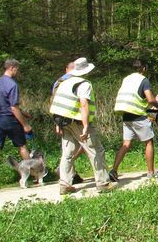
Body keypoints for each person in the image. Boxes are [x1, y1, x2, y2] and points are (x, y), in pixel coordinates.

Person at [49, 57, 116, 194]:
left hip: (63, 121)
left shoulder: (63, 82)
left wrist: (57, 123)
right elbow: (83, 104)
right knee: (96, 150)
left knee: (67, 153)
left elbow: (56, 102)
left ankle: (65, 184)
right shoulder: (84, 84)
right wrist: (85, 126)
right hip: (77, 121)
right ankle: (103, 183)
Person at [0, 59, 32, 190]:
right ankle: (31, 176)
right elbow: (13, 108)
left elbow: (5, 102)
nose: (17, 72)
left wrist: (23, 112)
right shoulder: (13, 84)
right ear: (12, 68)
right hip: (10, 120)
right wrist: (25, 125)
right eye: (17, 69)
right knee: (22, 147)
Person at [110, 59, 158, 181]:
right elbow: (150, 99)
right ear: (143, 68)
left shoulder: (126, 79)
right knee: (149, 142)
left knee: (126, 144)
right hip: (138, 115)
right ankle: (150, 172)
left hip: (125, 114)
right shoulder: (144, 80)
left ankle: (114, 170)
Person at [51, 60, 84, 185]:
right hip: (75, 118)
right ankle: (66, 172)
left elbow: (54, 101)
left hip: (61, 118)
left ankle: (70, 176)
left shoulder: (58, 82)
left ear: (66, 69)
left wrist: (57, 122)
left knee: (69, 148)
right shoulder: (76, 81)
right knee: (85, 145)